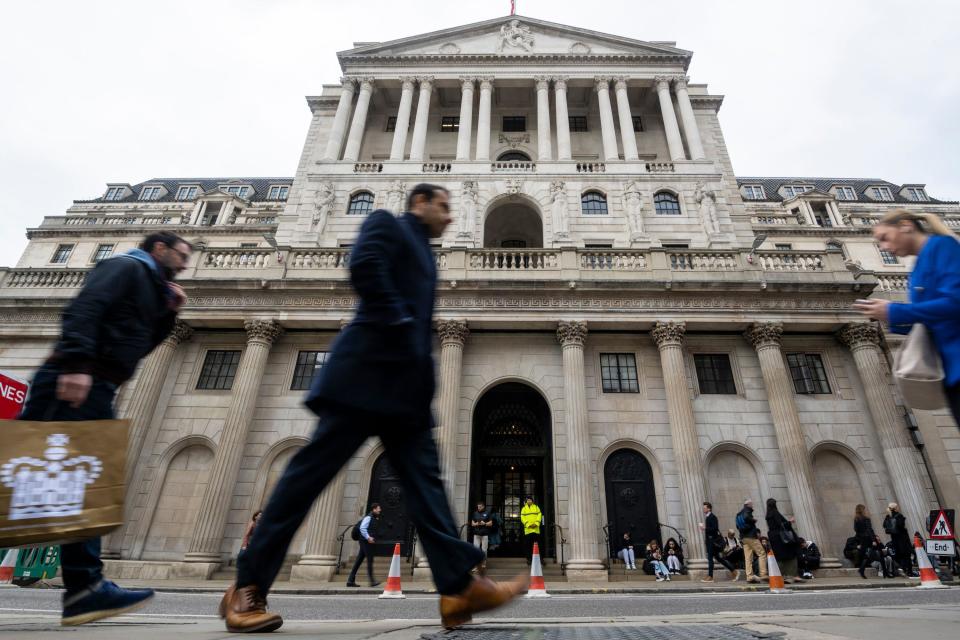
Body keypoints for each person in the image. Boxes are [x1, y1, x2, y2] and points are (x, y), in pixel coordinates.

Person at [220, 185, 526, 633]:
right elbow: (364, 267)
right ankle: (246, 587)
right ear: (420, 203)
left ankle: (458, 587)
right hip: (363, 376)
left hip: (405, 393)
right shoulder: (386, 225)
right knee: (305, 481)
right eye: (443, 206)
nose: (449, 216)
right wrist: (398, 322)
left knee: (428, 491)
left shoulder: (428, 257)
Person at [17, 231, 191, 626]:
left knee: (80, 483)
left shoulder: (150, 287)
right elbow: (85, 309)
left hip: (96, 384)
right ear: (158, 248)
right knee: (27, 474)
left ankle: (84, 589)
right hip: (74, 380)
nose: (184, 264)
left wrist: (168, 312)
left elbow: (139, 343)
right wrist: (77, 365)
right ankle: (86, 587)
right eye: (181, 255)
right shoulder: (124, 266)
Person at [853, 209, 960, 425]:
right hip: (949, 374)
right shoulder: (917, 269)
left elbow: (955, 302)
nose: (884, 247)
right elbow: (930, 323)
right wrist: (885, 316)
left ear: (905, 225)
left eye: (884, 238)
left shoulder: (943, 246)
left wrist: (894, 311)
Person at [699, 501, 740, 583]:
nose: (703, 509)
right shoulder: (708, 517)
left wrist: (704, 528)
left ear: (709, 508)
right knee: (719, 558)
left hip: (712, 542)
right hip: (710, 541)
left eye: (705, 507)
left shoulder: (712, 517)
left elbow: (715, 529)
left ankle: (710, 576)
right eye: (703, 507)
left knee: (711, 558)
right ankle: (734, 571)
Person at [346, 504, 381, 588]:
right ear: (374, 509)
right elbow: (362, 528)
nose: (380, 510)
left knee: (359, 560)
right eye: (378, 509)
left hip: (366, 541)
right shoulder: (368, 517)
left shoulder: (374, 518)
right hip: (365, 541)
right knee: (370, 559)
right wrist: (368, 538)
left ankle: (350, 580)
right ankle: (372, 581)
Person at [765, 498, 800, 584]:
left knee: (779, 557)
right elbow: (780, 525)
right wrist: (790, 521)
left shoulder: (768, 515)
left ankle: (780, 575)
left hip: (774, 538)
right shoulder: (775, 513)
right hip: (781, 538)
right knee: (791, 555)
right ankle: (790, 576)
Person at [736, 499, 768, 584]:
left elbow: (737, 526)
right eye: (751, 504)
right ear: (748, 504)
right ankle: (763, 574)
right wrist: (753, 520)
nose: (752, 506)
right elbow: (747, 517)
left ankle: (749, 576)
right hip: (751, 536)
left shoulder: (738, 514)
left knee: (748, 558)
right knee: (762, 553)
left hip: (743, 538)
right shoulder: (747, 510)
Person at [883, 502, 915, 577]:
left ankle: (902, 568)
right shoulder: (899, 515)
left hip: (894, 539)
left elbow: (884, 525)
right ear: (895, 508)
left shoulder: (888, 516)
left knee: (899, 554)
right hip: (902, 538)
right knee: (907, 554)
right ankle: (908, 571)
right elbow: (901, 525)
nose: (898, 508)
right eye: (897, 507)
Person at [854, 503, 877, 578]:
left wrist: (859, 541)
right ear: (862, 510)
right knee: (868, 554)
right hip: (868, 538)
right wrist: (873, 540)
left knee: (866, 554)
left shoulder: (856, 519)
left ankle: (861, 569)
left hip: (862, 539)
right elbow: (869, 530)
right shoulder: (866, 519)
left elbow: (856, 530)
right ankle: (861, 569)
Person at [471, 502, 494, 574]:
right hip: (476, 534)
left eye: (480, 507)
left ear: (483, 507)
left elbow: (491, 523)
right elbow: (472, 523)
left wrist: (485, 523)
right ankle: (476, 566)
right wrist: (476, 523)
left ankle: (483, 564)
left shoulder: (488, 513)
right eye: (478, 507)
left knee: (484, 550)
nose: (479, 508)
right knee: (476, 549)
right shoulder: (475, 513)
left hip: (485, 534)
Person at [520, 496, 543, 565]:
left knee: (539, 545)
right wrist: (528, 525)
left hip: (536, 530)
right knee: (528, 545)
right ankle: (529, 559)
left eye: (530, 500)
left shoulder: (536, 507)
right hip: (528, 530)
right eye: (528, 500)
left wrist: (536, 523)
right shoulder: (524, 509)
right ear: (526, 501)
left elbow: (539, 515)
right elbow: (522, 517)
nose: (529, 501)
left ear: (532, 501)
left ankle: (541, 559)